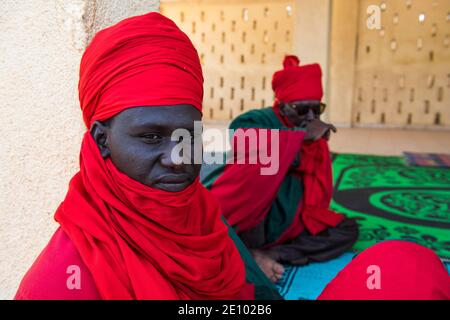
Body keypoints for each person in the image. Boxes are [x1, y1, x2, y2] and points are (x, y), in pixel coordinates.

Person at [15, 12, 280, 300]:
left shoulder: (205, 221)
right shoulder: (62, 280)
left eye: (189, 136)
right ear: (101, 140)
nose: (178, 158)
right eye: (151, 137)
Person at [202, 55, 358, 282]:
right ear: (282, 106)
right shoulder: (259, 119)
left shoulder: (312, 129)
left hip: (295, 218)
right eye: (302, 110)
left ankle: (267, 255)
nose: (311, 117)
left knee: (347, 229)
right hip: (258, 215)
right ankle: (247, 250)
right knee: (220, 233)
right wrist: (298, 139)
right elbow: (240, 137)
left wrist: (309, 140)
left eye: (317, 109)